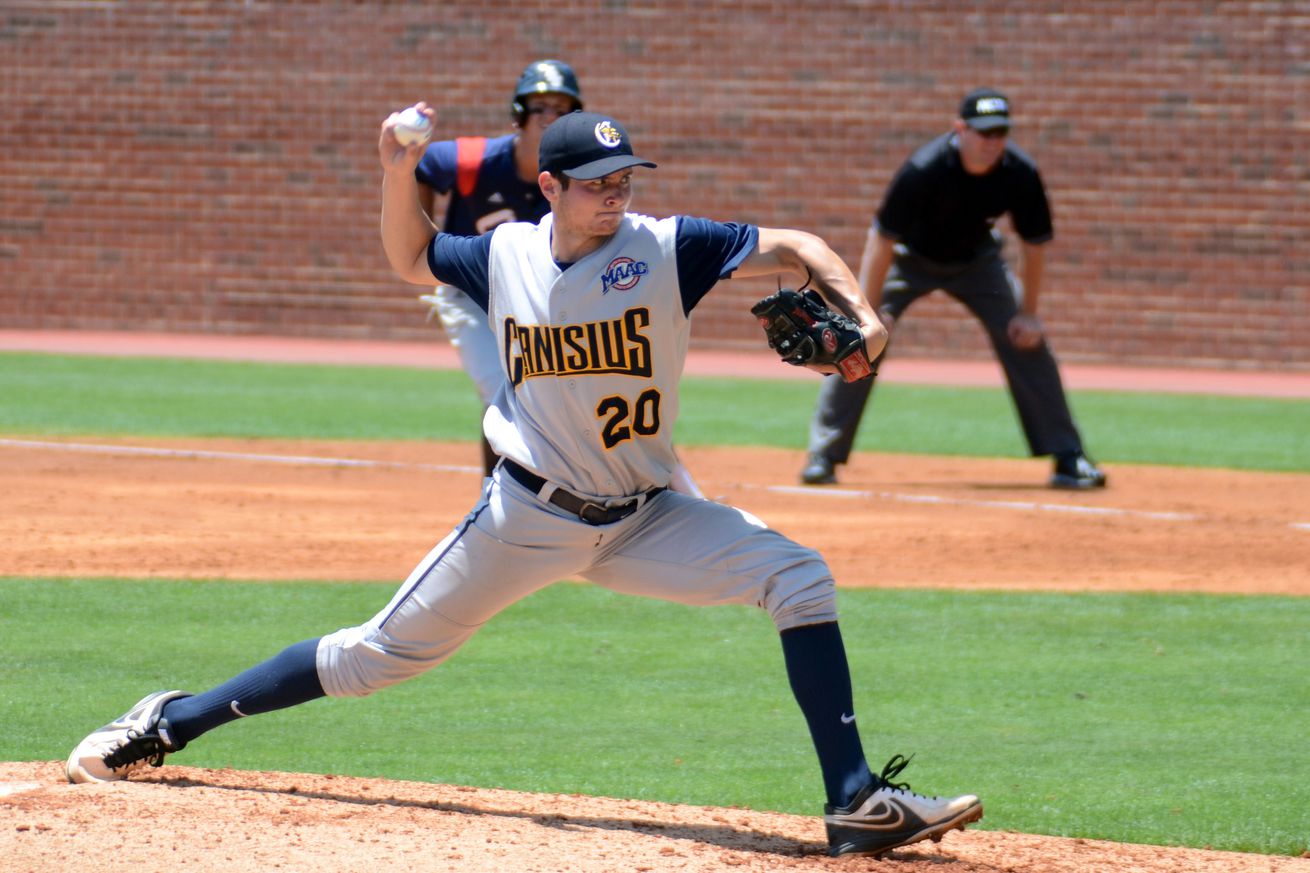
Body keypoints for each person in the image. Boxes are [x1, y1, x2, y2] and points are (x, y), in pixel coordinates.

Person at [65, 106, 983, 859]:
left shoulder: (669, 247)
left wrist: (863, 315)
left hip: (648, 516)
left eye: (625, 180)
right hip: (527, 516)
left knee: (799, 576)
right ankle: (169, 721)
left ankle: (854, 800)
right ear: (550, 186)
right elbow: (410, 256)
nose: (615, 195)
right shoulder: (503, 255)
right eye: (596, 183)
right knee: (371, 658)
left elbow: (800, 244)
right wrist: (398, 169)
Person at [414, 59, 703, 495]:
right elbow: (424, 165)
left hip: (544, 297)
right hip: (473, 298)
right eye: (540, 107)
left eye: (561, 108)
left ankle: (681, 495)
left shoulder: (578, 180)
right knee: (510, 389)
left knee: (605, 388)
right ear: (518, 115)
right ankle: (496, 498)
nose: (550, 116)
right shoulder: (476, 159)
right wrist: (431, 243)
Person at [799, 88, 1107, 491]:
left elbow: (1034, 246)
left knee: (1026, 339)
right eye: (983, 132)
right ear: (960, 129)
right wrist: (867, 311)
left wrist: (1028, 313)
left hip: (979, 263)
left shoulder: (1019, 172)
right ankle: (824, 453)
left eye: (1000, 133)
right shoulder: (924, 168)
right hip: (909, 259)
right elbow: (882, 239)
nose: (992, 141)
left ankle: (1068, 456)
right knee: (860, 340)